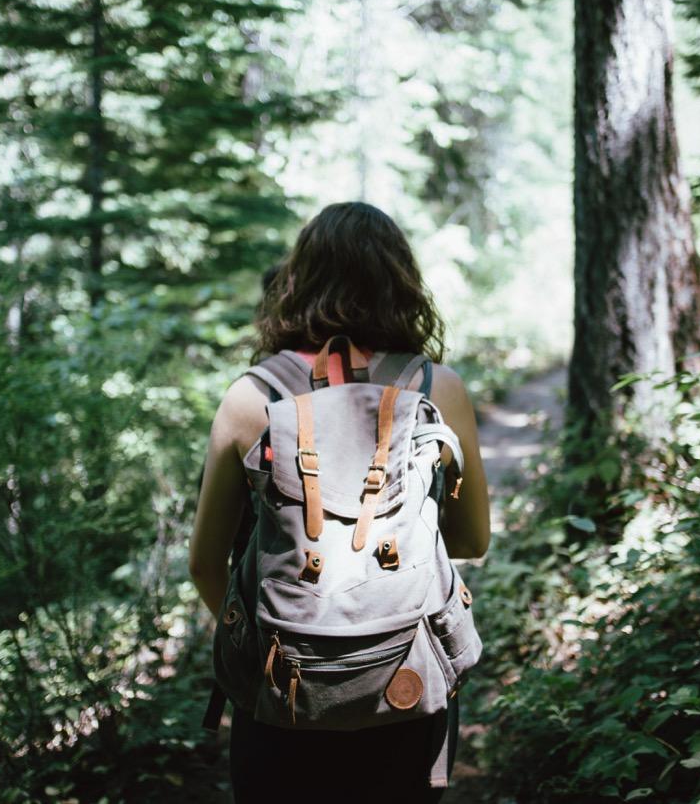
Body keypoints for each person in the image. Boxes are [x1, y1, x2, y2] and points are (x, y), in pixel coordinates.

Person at [189, 201, 491, 803]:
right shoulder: (437, 388)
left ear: (298, 281)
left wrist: (273, 635)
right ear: (400, 282)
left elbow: (206, 562)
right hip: (404, 683)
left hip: (281, 694)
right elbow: (471, 541)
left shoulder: (252, 398)